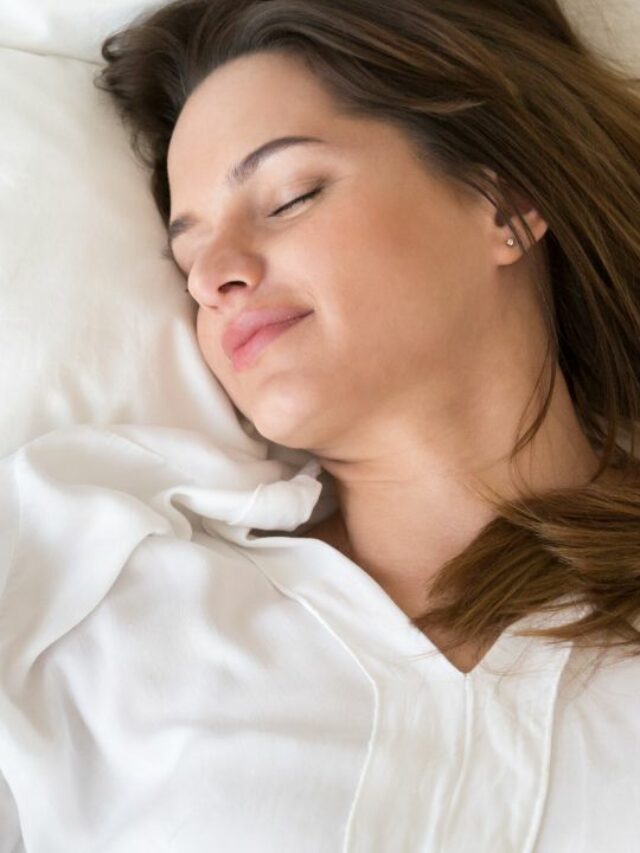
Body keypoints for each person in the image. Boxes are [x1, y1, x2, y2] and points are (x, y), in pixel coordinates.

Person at [90, 0, 640, 848]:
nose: (217, 279)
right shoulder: (110, 600)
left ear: (505, 201)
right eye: (189, 257)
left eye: (288, 197)